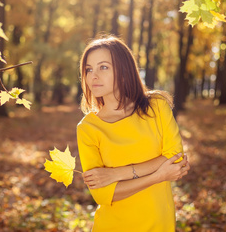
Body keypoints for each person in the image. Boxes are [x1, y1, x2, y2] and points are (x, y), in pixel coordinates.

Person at [76, 35, 190, 232]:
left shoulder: (157, 106)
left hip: (159, 223)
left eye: (103, 67)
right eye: (88, 69)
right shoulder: (87, 128)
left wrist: (116, 174)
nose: (93, 76)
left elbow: (175, 158)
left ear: (123, 71)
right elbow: (103, 195)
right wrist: (158, 176)